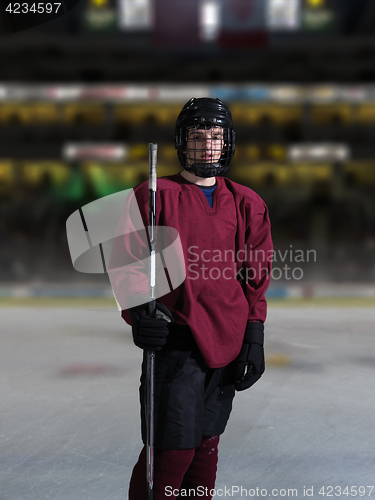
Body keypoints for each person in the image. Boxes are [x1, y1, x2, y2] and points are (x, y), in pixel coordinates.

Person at [122, 97, 273, 499]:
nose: (207, 144)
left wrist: (253, 336)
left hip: (227, 347)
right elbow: (128, 261)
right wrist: (139, 314)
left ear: (228, 143)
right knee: (171, 455)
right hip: (176, 349)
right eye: (197, 135)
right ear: (181, 142)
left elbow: (255, 276)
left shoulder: (247, 202)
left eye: (216, 136)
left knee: (206, 450)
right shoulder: (153, 195)